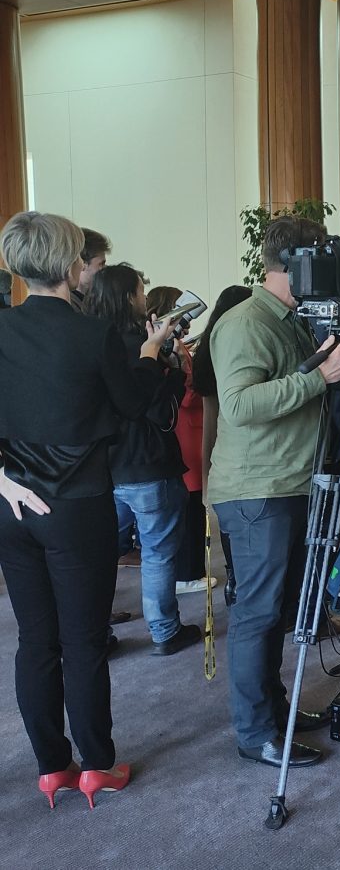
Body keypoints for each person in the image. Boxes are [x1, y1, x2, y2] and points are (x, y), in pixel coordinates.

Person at [0, 211, 176, 808]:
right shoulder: (90, 333)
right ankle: (97, 764)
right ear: (70, 265)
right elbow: (132, 405)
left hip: (14, 507)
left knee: (35, 641)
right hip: (78, 507)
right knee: (81, 643)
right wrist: (152, 353)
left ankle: (52, 768)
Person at [208, 216, 340, 769]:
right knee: (258, 614)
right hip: (257, 490)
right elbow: (241, 406)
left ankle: (276, 708)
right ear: (295, 264)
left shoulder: (291, 319)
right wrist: (319, 378)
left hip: (289, 483)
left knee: (280, 610)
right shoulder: (246, 323)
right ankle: (255, 732)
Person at [86, 265, 201, 656]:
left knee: (100, 554)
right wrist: (168, 366)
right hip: (149, 463)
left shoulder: (92, 341)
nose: (143, 297)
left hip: (104, 468)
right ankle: (165, 631)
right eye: (139, 291)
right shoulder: (143, 343)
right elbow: (152, 408)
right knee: (157, 552)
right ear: (127, 297)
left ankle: (94, 631)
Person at [145, 286, 213, 595]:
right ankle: (187, 574)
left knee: (192, 507)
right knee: (189, 509)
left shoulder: (175, 345)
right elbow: (184, 395)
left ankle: (190, 571)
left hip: (192, 431)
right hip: (187, 431)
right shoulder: (165, 349)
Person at [191, 284, 253, 596]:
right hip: (249, 459)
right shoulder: (244, 351)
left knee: (231, 530)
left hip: (223, 464)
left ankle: (235, 583)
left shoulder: (206, 355)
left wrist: (207, 479)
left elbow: (209, 424)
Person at [70, 227, 110, 311]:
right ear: (82, 263)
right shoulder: (69, 306)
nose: (105, 269)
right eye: (101, 264)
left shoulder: (92, 301)